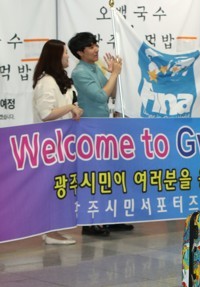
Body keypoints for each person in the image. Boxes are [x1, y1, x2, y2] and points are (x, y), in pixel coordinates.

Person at [68, 32, 132, 235]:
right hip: (89, 129)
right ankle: (90, 223)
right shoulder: (79, 72)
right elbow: (100, 96)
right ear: (80, 52)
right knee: (92, 175)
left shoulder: (94, 67)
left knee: (107, 174)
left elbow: (111, 93)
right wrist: (114, 74)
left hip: (104, 127)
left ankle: (110, 217)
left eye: (96, 44)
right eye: (90, 46)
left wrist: (113, 73)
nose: (96, 49)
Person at [32, 39, 84, 245]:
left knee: (59, 187)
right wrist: (70, 109)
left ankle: (54, 229)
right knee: (51, 187)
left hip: (63, 144)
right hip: (49, 144)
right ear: (55, 57)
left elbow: (68, 104)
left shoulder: (61, 79)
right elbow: (46, 114)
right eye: (64, 53)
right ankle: (49, 230)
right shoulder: (46, 82)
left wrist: (75, 108)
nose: (68, 57)